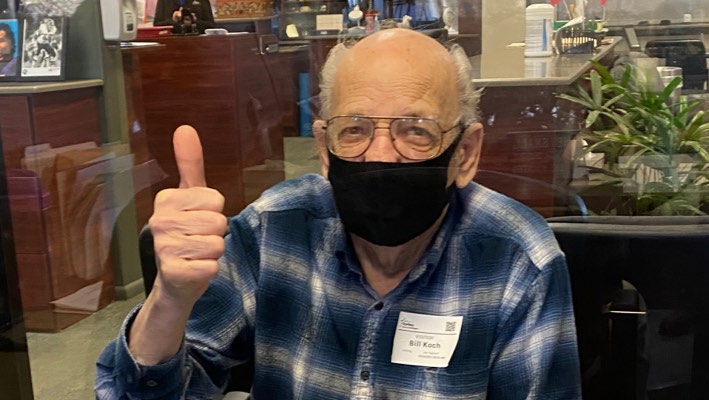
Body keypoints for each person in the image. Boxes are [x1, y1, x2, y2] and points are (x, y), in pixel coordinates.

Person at [96, 28, 581, 399]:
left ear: (466, 153)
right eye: (355, 129)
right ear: (324, 150)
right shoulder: (273, 229)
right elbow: (145, 392)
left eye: (416, 130)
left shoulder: (518, 261)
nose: (381, 155)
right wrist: (168, 302)